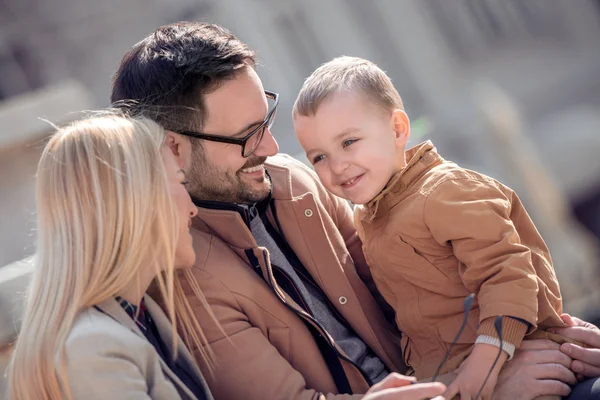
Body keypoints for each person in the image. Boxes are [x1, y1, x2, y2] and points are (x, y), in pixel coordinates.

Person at [110, 22, 591, 400]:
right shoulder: (179, 274)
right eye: (245, 136)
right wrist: (478, 389)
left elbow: (421, 284)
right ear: (172, 149)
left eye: (267, 121)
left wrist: (541, 334)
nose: (274, 147)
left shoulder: (294, 181)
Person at [292, 55, 598, 399]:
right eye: (318, 156)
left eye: (349, 142)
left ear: (397, 129)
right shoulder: (370, 217)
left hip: (518, 366)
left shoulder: (444, 190)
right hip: (457, 375)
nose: (337, 165)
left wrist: (479, 374)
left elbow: (508, 277)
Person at [8, 114, 214, 400]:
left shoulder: (140, 315)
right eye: (180, 182)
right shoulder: (95, 348)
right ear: (138, 201)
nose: (193, 208)